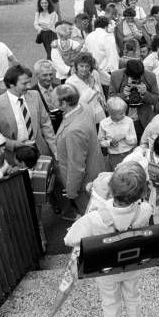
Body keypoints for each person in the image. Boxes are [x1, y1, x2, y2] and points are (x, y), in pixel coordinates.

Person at [64, 162, 152, 317]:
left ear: (111, 190)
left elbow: (69, 239)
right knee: (133, 297)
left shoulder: (95, 218)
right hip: (131, 264)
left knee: (110, 303)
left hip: (106, 269)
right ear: (140, 193)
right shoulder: (145, 209)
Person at [0, 65, 57, 165]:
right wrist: (14, 144)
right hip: (14, 158)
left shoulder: (35, 95)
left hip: (41, 152)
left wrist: (55, 151)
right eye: (24, 83)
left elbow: (46, 125)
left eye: (29, 82)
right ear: (11, 84)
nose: (29, 86)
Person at [53, 84, 105, 219]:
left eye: (53, 100)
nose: (51, 102)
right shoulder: (84, 107)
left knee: (91, 217)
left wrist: (71, 192)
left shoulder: (74, 131)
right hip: (96, 170)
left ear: (64, 103)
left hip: (84, 183)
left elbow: (77, 166)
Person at [109, 59, 159, 141]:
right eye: (133, 78)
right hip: (122, 118)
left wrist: (145, 93)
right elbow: (111, 99)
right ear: (126, 73)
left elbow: (156, 100)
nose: (135, 80)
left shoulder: (150, 76)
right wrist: (123, 94)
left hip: (142, 120)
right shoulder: (116, 76)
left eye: (138, 78)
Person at [65, 53, 106, 126]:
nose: (84, 69)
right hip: (84, 119)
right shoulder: (70, 82)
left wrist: (103, 102)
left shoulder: (94, 74)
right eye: (81, 66)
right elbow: (79, 103)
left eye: (87, 66)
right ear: (76, 66)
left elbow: (101, 92)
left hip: (100, 115)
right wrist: (90, 87)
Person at [99, 97, 137, 170]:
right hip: (114, 156)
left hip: (128, 153)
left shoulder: (129, 121)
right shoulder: (104, 123)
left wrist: (125, 137)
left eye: (124, 112)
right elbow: (99, 142)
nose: (124, 114)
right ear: (111, 113)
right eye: (120, 113)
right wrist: (109, 143)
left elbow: (134, 141)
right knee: (117, 175)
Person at [84, 16, 120, 90]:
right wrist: (116, 76)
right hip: (106, 73)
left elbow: (85, 52)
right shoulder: (108, 37)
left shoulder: (89, 36)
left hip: (92, 72)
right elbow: (112, 56)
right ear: (106, 26)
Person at [31, 60, 62, 132]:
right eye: (45, 75)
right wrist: (43, 117)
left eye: (51, 74)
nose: (49, 78)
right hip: (45, 131)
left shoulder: (60, 88)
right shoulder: (31, 93)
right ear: (37, 75)